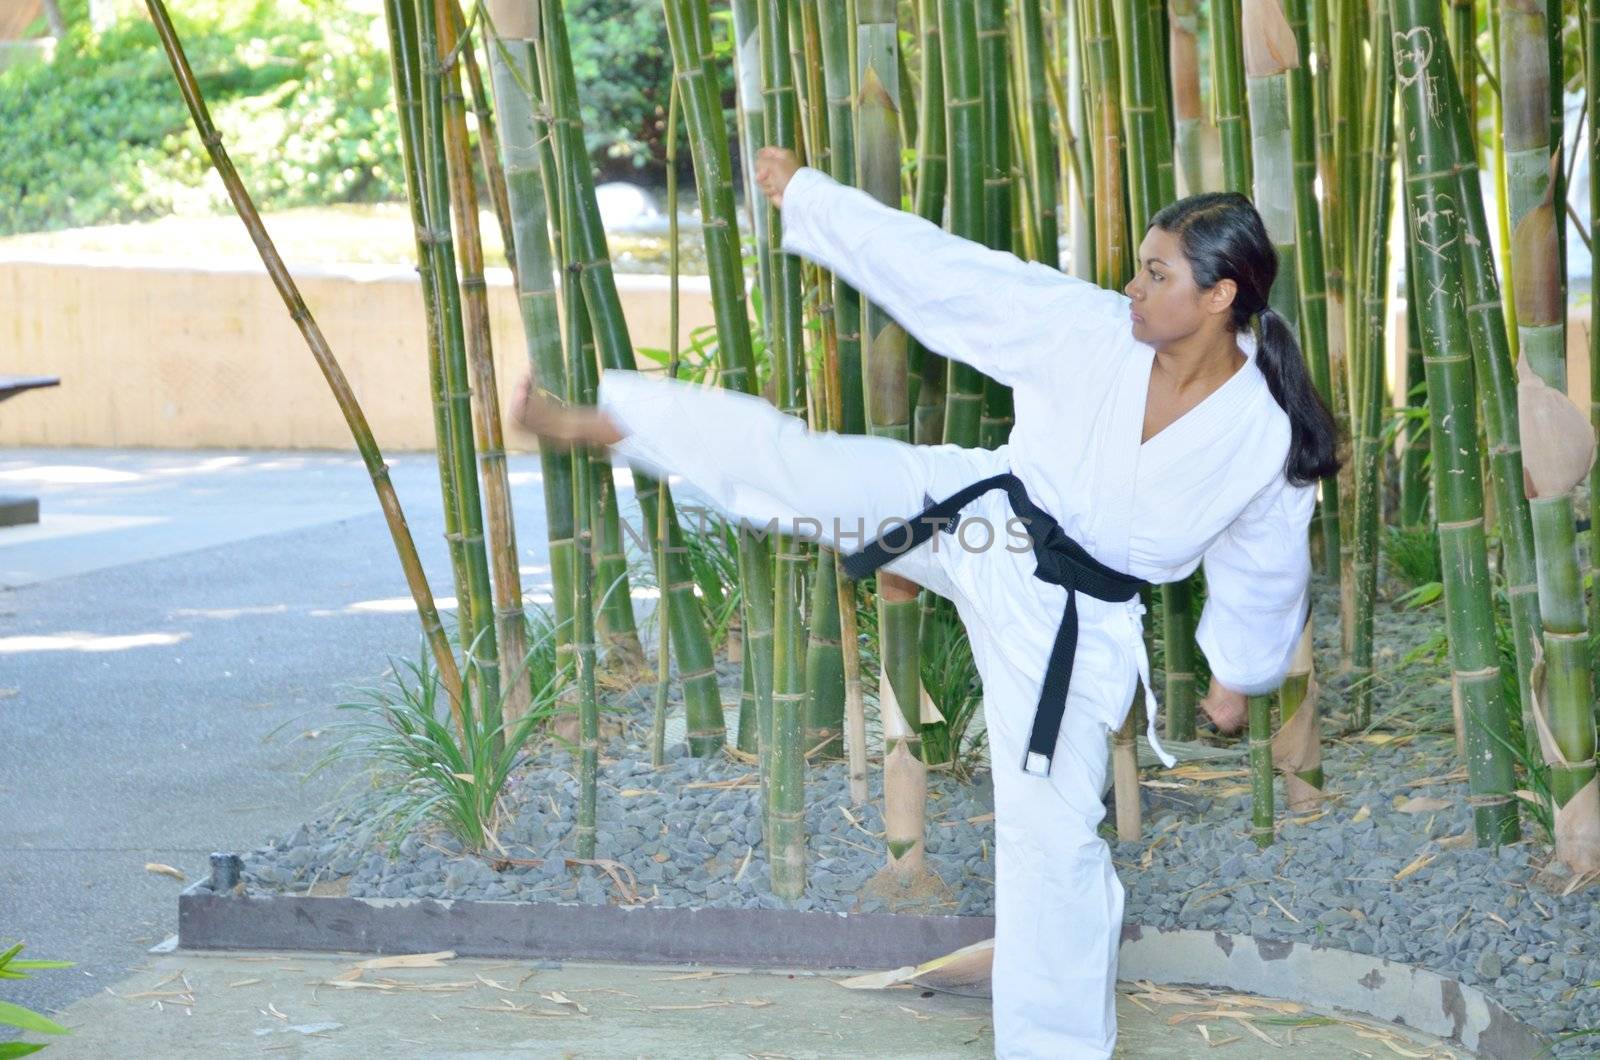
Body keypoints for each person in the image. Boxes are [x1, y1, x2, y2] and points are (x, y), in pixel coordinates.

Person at [510, 146, 1340, 1059]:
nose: (1132, 287)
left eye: (1156, 273)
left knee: (1053, 841)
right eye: (1138, 268)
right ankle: (618, 422)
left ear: (1220, 297)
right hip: (987, 519)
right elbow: (950, 276)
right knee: (815, 471)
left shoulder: (1262, 435)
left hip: (1073, 623)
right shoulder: (1090, 328)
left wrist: (1238, 674)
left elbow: (1266, 569)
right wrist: (816, 203)